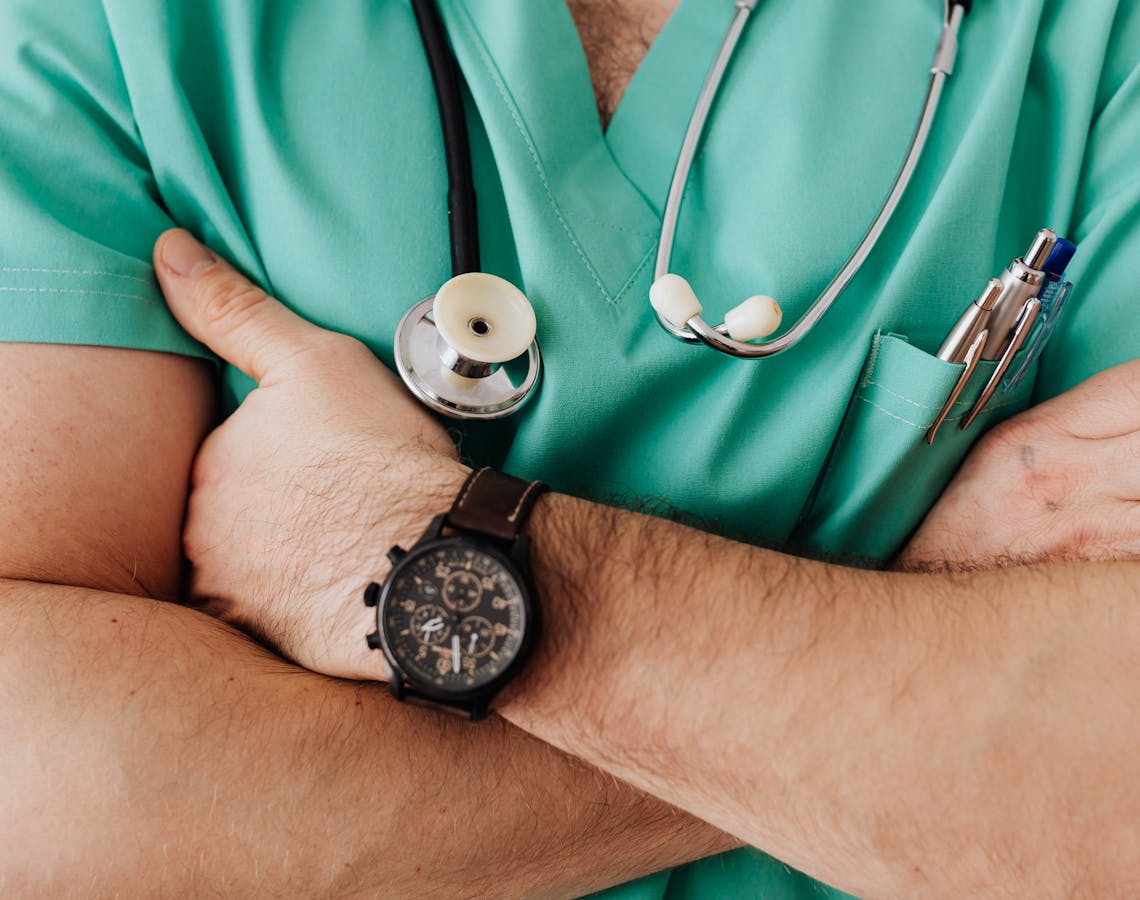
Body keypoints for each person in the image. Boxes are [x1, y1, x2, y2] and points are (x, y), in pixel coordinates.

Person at [1, 0, 1136, 897]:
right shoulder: (111, 22)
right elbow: (48, 794)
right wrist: (911, 604)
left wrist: (385, 543)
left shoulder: (1095, 39)